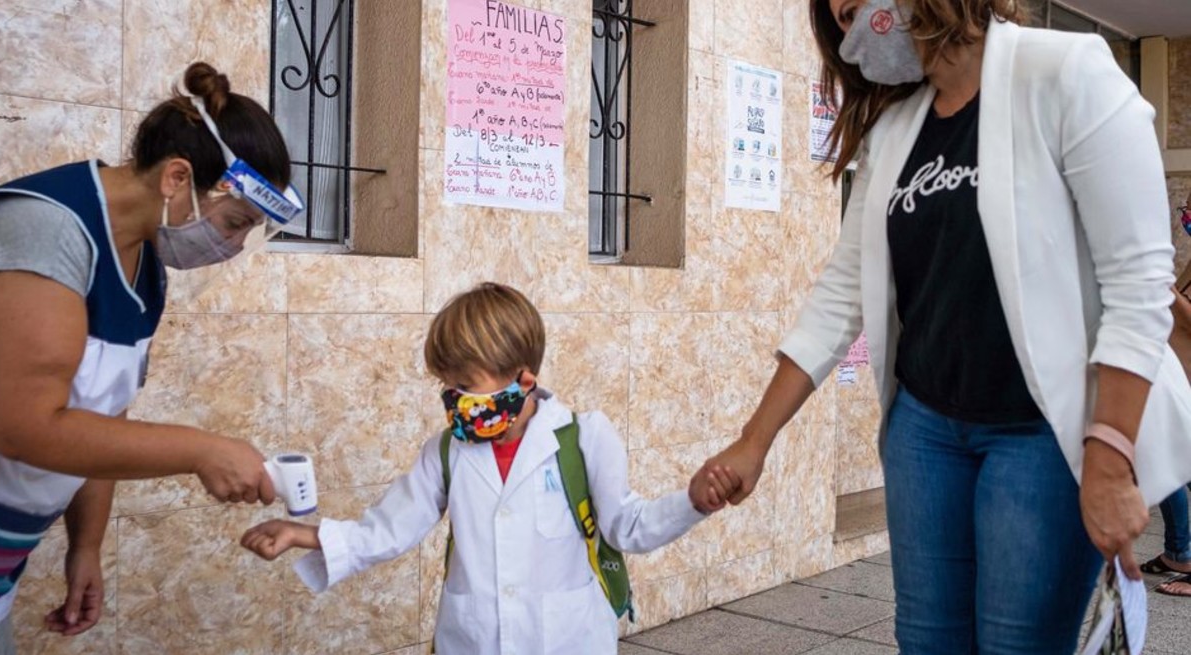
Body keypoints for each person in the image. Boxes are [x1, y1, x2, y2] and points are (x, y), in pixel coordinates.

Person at [687, 0, 1191, 653]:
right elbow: (841, 294)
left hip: (1040, 436)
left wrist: (1111, 454)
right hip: (925, 431)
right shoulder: (897, 130)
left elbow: (1139, 281)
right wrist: (752, 441)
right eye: (839, 22)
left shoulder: (1066, 72)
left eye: (855, 7)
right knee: (927, 642)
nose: (852, 33)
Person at [0, 62, 304, 654]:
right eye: (236, 222)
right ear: (177, 177)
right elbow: (25, 425)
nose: (232, 246)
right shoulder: (43, 228)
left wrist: (85, 546)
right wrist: (202, 450)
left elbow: (98, 421)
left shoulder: (143, 266)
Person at [241, 282, 738, 655]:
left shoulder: (582, 438)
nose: (454, 398)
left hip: (567, 639)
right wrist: (302, 534)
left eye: (465, 383)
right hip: (472, 639)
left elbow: (628, 527)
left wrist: (692, 503)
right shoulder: (445, 452)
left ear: (523, 379)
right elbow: (389, 530)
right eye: (447, 385)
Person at [1150, 193, 1191, 596]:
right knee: (1169, 461)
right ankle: (1178, 552)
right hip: (1176, 376)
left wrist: (1169, 295)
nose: (1186, 221)